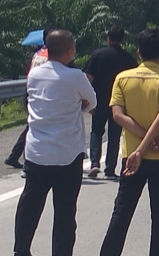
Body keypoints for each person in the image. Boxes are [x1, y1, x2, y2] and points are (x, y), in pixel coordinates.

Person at [14, 30, 97, 256]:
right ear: (70, 51)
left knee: (30, 204)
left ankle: (21, 250)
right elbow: (92, 102)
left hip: (37, 151)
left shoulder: (34, 75)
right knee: (65, 212)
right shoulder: (76, 76)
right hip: (67, 154)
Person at [99, 29, 159, 256]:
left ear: (138, 52)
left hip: (131, 156)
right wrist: (151, 140)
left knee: (122, 212)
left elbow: (118, 116)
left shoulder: (123, 78)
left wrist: (140, 146)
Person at [83, 26, 138, 179]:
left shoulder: (98, 54)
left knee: (96, 131)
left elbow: (88, 77)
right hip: (119, 103)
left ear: (108, 38)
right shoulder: (128, 58)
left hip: (98, 100)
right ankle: (110, 169)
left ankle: (94, 163)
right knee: (115, 135)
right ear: (123, 40)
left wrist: (88, 99)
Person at [5, 28, 53, 172]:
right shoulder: (52, 54)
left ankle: (15, 156)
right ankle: (28, 162)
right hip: (43, 93)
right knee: (36, 128)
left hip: (31, 91)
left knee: (32, 126)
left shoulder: (36, 54)